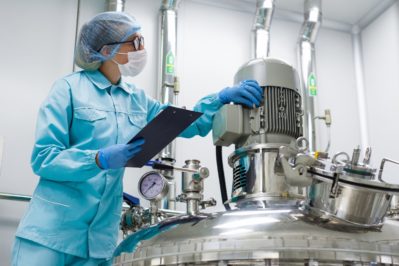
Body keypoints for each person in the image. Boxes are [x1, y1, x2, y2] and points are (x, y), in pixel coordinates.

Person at [11, 11, 263, 266]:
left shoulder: (136, 98)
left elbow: (181, 124)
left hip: (99, 242)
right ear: (108, 50)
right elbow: (44, 158)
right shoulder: (68, 89)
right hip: (51, 233)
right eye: (135, 42)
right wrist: (98, 159)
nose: (141, 50)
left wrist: (218, 99)